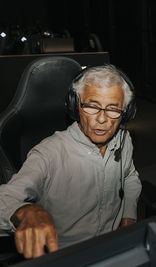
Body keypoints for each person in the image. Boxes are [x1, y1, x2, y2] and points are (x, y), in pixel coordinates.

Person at [0, 64, 142, 259]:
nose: (102, 118)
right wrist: (24, 212)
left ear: (126, 112)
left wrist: (129, 216)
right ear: (76, 106)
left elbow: (130, 177)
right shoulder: (48, 153)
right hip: (65, 256)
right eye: (92, 106)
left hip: (112, 248)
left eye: (113, 109)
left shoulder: (124, 141)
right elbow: (5, 198)